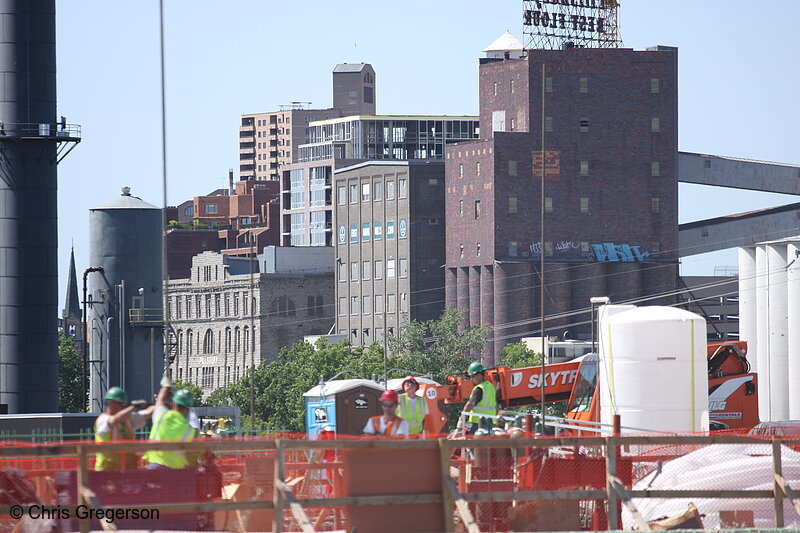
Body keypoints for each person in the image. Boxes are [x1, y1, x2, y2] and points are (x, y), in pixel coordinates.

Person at [94, 387, 154, 471]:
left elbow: (146, 414)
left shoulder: (127, 419)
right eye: (120, 403)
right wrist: (133, 407)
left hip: (128, 468)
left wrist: (159, 405)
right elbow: (114, 420)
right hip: (107, 470)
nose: (123, 406)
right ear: (110, 403)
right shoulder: (103, 419)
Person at [143, 383, 197, 469]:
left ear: (173, 404)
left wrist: (166, 386)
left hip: (155, 465)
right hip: (175, 472)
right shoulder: (190, 430)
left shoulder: (162, 414)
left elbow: (160, 400)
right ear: (187, 410)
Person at [458, 362, 498, 435]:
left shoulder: (479, 389)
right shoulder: (491, 386)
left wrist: (462, 419)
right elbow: (496, 405)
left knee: (469, 444)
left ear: (479, 375)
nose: (472, 379)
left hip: (478, 424)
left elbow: (469, 405)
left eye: (473, 376)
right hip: (491, 424)